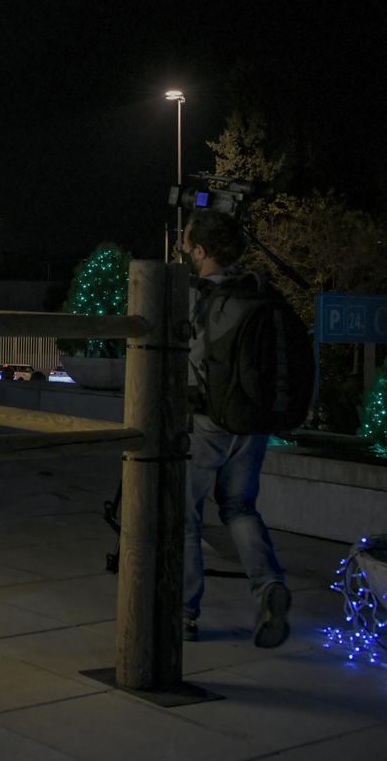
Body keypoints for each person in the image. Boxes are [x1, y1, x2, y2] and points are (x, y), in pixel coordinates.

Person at [180, 207, 289, 647]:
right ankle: (268, 586)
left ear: (202, 251)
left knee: (186, 517)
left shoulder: (195, 296)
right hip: (253, 421)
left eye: (187, 244)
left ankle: (184, 612)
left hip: (206, 421)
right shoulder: (259, 292)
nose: (184, 250)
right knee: (240, 507)